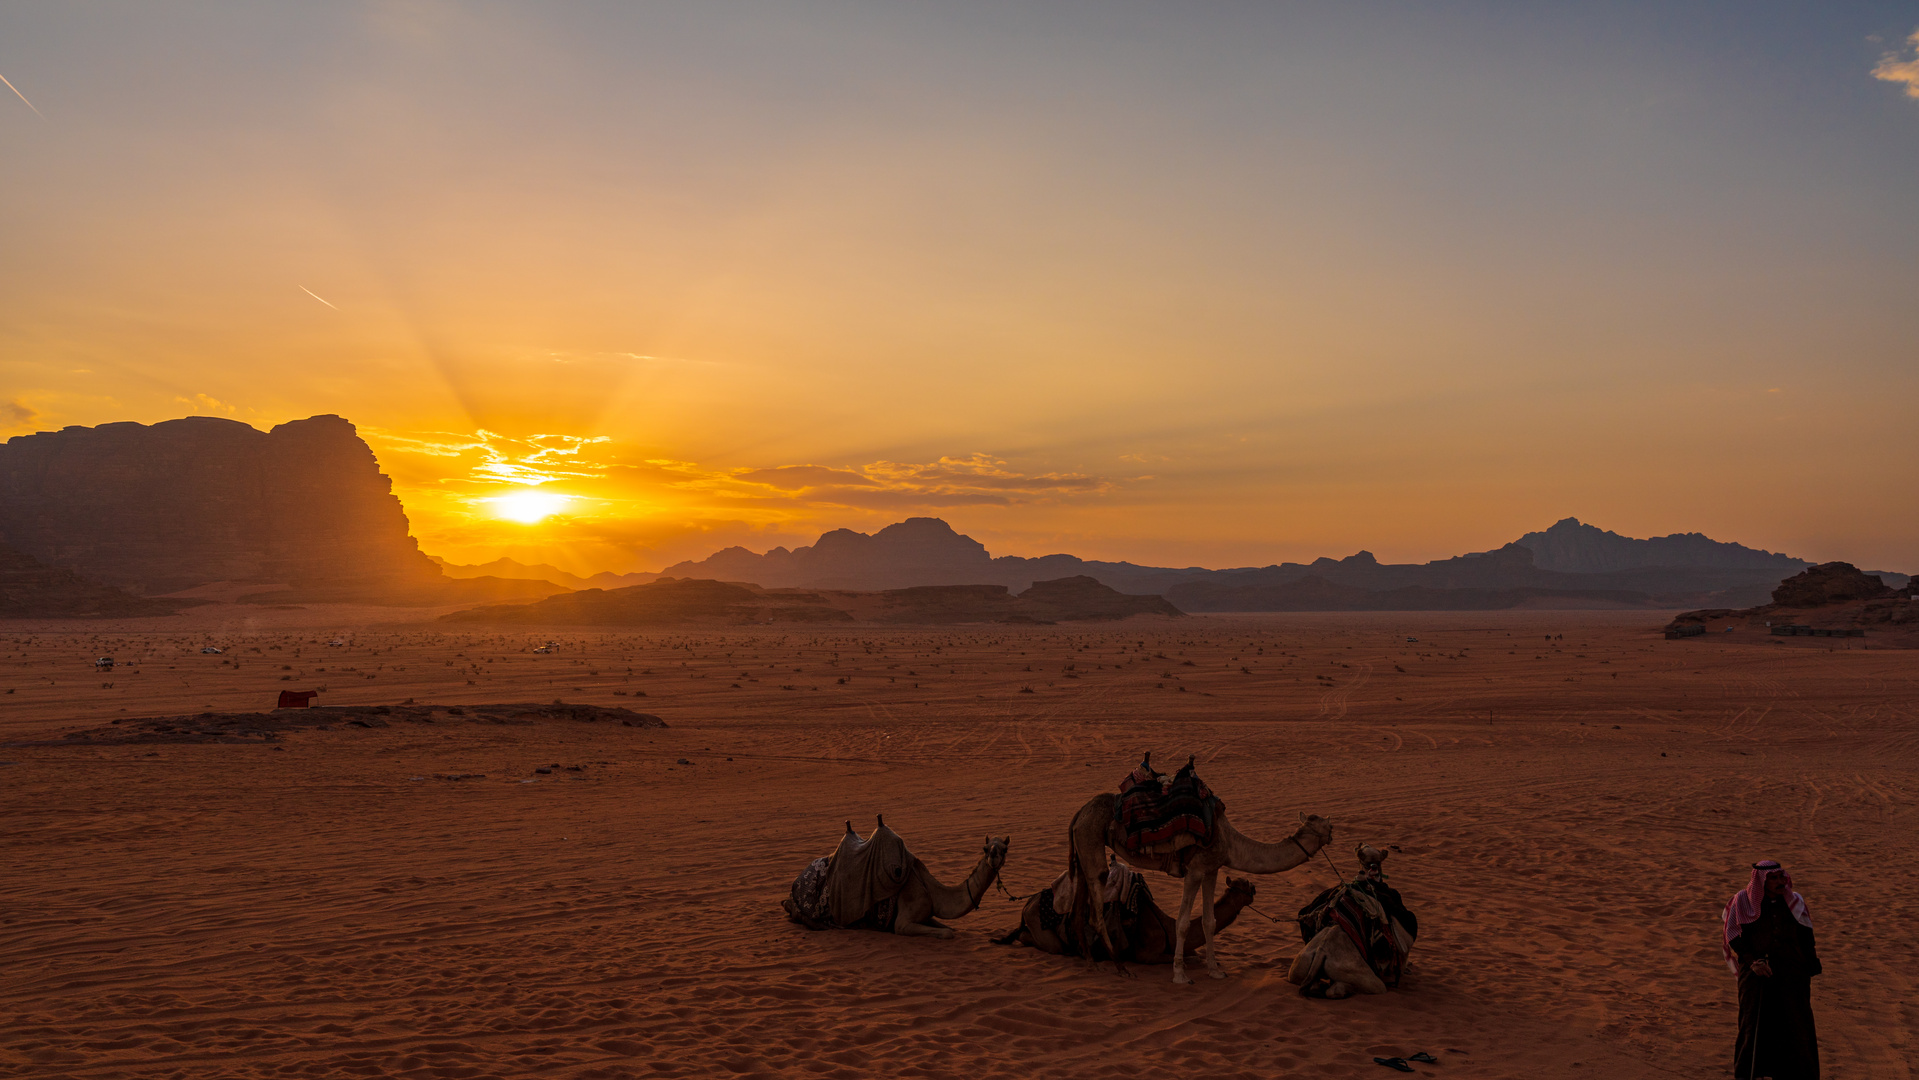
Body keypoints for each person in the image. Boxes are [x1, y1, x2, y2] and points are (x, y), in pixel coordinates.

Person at [1722, 860, 1821, 1079]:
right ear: (1761, 881)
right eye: (1773, 878)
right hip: (1757, 974)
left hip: (1792, 974)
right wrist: (1752, 962)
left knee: (1797, 1026)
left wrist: (1810, 964)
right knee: (1752, 1026)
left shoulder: (1794, 902)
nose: (1780, 882)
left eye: (1781, 877)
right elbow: (1733, 937)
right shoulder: (1743, 901)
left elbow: (1806, 935)